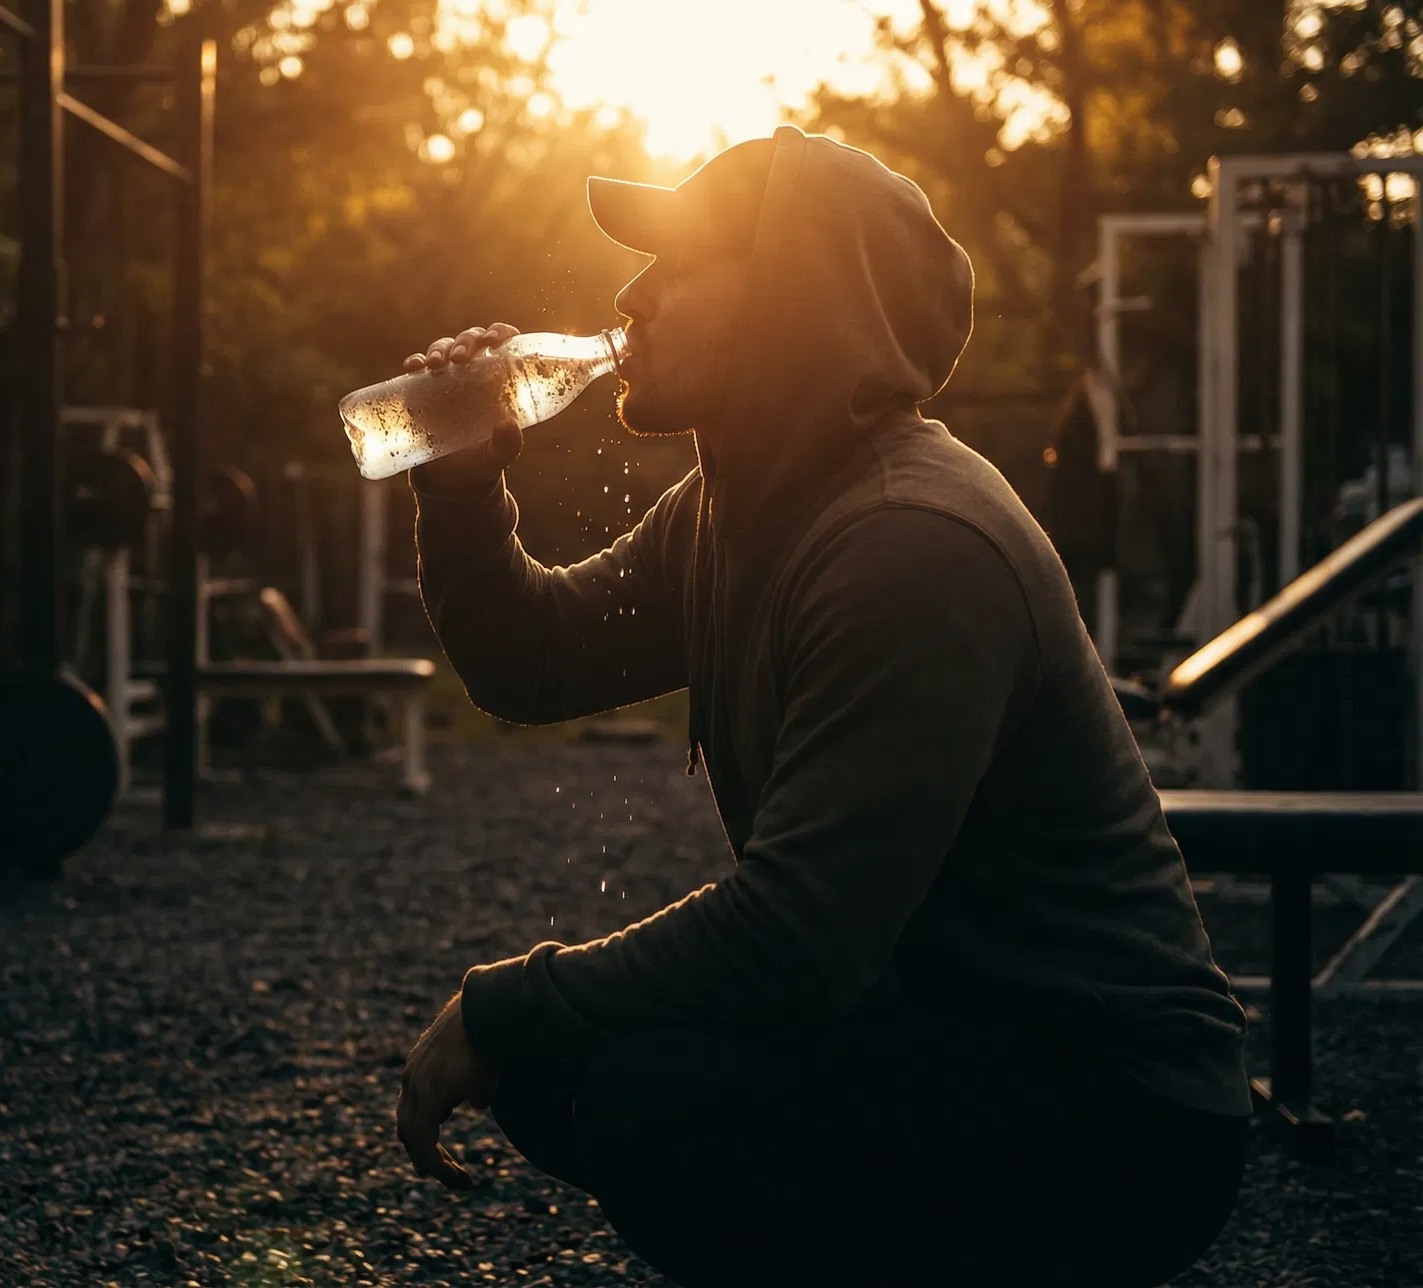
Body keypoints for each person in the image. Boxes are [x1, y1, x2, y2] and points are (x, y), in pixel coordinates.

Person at [391, 127, 1250, 1287]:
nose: (632, 294)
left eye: (680, 265)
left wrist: (510, 998)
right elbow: (532, 660)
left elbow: (798, 932)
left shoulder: (909, 541)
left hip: (1109, 1102)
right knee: (563, 1067)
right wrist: (459, 483)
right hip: (928, 1028)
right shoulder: (731, 507)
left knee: (638, 1092)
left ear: (798, 301)